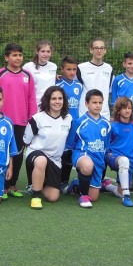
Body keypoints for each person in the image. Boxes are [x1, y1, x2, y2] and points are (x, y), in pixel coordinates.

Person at [0, 43, 37, 198]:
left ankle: (12, 185)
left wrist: (32, 119)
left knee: (17, 154)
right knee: (2, 152)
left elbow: (31, 99)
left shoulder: (28, 75)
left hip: (21, 122)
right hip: (2, 121)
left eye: (20, 55)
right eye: (14, 55)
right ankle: (1, 185)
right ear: (6, 57)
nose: (18, 58)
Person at [23, 86, 72, 210]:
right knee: (41, 160)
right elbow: (26, 140)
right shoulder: (37, 118)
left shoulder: (68, 119)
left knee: (52, 197)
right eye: (53, 98)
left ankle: (38, 183)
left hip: (55, 160)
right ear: (47, 100)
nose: (57, 101)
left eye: (60, 98)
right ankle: (36, 197)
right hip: (36, 155)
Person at [65, 89, 111, 208]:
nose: (97, 105)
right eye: (94, 102)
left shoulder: (106, 124)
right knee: (87, 165)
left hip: (98, 159)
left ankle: (77, 184)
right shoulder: (79, 122)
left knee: (94, 197)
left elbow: (106, 146)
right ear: (86, 104)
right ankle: (83, 196)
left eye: (100, 103)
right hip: (82, 155)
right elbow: (71, 143)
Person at [110, 52, 133, 192]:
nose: (132, 66)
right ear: (124, 64)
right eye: (129, 63)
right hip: (121, 121)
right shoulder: (118, 80)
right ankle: (117, 178)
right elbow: (114, 101)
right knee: (119, 146)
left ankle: (129, 180)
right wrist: (115, 117)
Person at [103, 97, 133, 208]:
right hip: (114, 157)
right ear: (118, 110)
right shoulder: (112, 126)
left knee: (119, 192)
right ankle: (127, 196)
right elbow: (106, 145)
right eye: (124, 108)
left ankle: (107, 186)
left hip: (130, 161)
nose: (127, 110)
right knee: (124, 161)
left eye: (129, 108)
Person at [56, 56, 83, 192]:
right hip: (61, 122)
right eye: (68, 69)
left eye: (74, 69)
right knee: (60, 151)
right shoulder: (57, 85)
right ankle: (57, 180)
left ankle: (65, 181)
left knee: (70, 151)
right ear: (62, 69)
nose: (72, 72)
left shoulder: (79, 85)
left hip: (75, 123)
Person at [77, 38, 113, 120]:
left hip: (104, 114)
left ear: (105, 50)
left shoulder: (109, 68)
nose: (99, 51)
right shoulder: (81, 68)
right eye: (96, 48)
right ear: (91, 50)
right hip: (85, 113)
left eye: (101, 48)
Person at [23, 40, 57, 105]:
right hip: (35, 104)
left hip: (51, 104)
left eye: (48, 51)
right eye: (43, 51)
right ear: (37, 51)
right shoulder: (28, 67)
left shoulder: (53, 66)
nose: (46, 54)